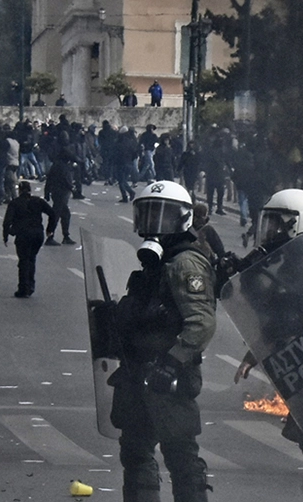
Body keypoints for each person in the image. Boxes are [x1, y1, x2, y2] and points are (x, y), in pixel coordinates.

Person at [110, 180, 216, 502]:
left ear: (182, 219)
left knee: (181, 456)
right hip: (138, 370)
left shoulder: (184, 263)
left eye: (164, 216)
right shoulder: (159, 263)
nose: (155, 225)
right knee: (136, 452)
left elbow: (202, 323)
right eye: (149, 215)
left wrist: (170, 365)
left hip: (167, 377)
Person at [3, 180, 58, 297]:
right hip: (38, 234)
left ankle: (23, 288)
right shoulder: (38, 201)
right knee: (32, 259)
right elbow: (52, 213)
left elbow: (7, 221)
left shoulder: (15, 203)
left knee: (23, 261)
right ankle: (31, 285)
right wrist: (50, 229)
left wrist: (6, 236)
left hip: (23, 235)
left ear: (19, 191)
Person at [44, 152, 76, 245]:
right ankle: (51, 237)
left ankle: (64, 236)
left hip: (55, 192)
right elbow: (65, 179)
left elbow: (49, 179)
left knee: (64, 214)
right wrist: (72, 188)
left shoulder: (56, 165)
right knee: (56, 215)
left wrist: (46, 192)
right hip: (61, 193)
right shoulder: (63, 167)